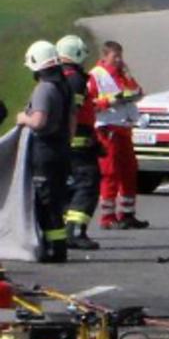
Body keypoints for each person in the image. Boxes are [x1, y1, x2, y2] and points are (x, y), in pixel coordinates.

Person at [17, 41, 74, 263]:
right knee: (56, 201)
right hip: (61, 149)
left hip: (45, 151)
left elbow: (38, 121)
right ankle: (57, 247)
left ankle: (52, 249)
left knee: (45, 202)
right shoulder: (65, 87)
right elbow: (72, 120)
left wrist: (23, 118)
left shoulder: (44, 89)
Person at [88, 41, 146, 230]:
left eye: (121, 56)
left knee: (129, 170)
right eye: (115, 57)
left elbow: (138, 93)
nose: (119, 60)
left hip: (124, 128)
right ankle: (108, 216)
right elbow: (89, 104)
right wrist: (111, 101)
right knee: (110, 173)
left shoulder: (122, 74)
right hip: (108, 130)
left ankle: (127, 214)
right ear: (104, 57)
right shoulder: (95, 75)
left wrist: (129, 78)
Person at [55, 35, 101, 250]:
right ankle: (75, 231)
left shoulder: (58, 77)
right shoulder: (76, 80)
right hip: (78, 144)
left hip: (63, 144)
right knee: (87, 185)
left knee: (69, 188)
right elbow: (74, 112)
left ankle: (66, 230)